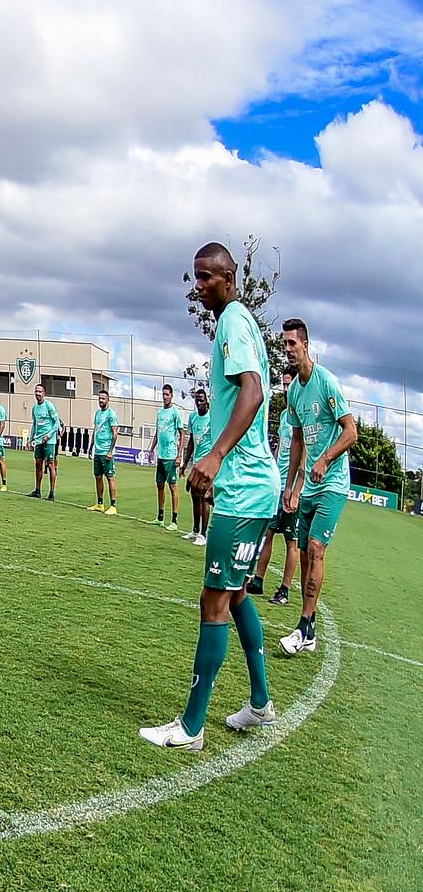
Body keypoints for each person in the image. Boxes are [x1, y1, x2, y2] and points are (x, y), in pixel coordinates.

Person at [142, 243, 283, 750]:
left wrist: (216, 454)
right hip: (249, 485)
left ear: (227, 277)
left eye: (205, 277)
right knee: (238, 592)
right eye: (196, 277)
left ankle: (192, 727)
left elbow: (252, 391)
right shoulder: (234, 323)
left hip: (245, 487)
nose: (197, 285)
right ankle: (262, 704)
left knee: (214, 598)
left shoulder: (234, 321)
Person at [277, 317, 356, 657]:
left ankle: (303, 625)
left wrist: (324, 460)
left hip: (334, 483)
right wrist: (291, 484)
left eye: (293, 344)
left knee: (315, 547)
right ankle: (309, 632)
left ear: (306, 345)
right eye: (285, 345)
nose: (288, 350)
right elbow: (296, 439)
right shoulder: (293, 391)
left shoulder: (327, 383)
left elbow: (351, 432)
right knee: (307, 557)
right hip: (307, 486)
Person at [250, 389, 297, 602]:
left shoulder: (303, 418)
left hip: (294, 488)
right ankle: (258, 580)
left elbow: (303, 453)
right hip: (278, 486)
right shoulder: (283, 416)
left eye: (290, 385)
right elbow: (280, 448)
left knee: (291, 541)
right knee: (267, 532)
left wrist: (296, 490)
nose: (287, 391)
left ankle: (284, 590)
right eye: (285, 386)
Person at [183, 385, 213, 543]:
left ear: (207, 401)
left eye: (201, 400)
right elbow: (191, 443)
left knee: (205, 499)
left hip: (207, 466)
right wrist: (184, 463)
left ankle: (203, 534)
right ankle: (195, 530)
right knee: (194, 497)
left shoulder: (213, 418)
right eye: (196, 400)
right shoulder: (193, 417)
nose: (199, 403)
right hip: (195, 464)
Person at [152, 384, 184, 529]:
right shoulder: (160, 413)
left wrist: (179, 455)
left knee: (172, 487)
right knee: (159, 485)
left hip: (171, 456)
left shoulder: (175, 412)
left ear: (172, 395)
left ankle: (174, 520)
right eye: (163, 394)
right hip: (161, 456)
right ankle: (160, 517)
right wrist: (151, 449)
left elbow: (182, 433)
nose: (164, 397)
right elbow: (157, 432)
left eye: (167, 394)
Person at [88, 388, 119, 515]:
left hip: (107, 452)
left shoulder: (111, 414)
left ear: (108, 400)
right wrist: (91, 447)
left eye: (103, 398)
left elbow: (115, 434)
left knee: (110, 477)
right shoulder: (97, 414)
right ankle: (100, 504)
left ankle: (113, 505)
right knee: (98, 477)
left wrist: (110, 451)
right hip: (97, 451)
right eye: (99, 398)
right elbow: (95, 431)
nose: (101, 400)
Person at [27, 383, 60, 500]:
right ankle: (37, 490)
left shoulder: (49, 406)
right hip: (38, 441)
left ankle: (51, 492)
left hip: (49, 441)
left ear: (44, 393)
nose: (38, 394)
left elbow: (57, 424)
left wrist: (49, 435)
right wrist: (30, 440)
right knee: (38, 465)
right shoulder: (35, 408)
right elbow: (34, 424)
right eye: (36, 391)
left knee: (50, 465)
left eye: (40, 392)